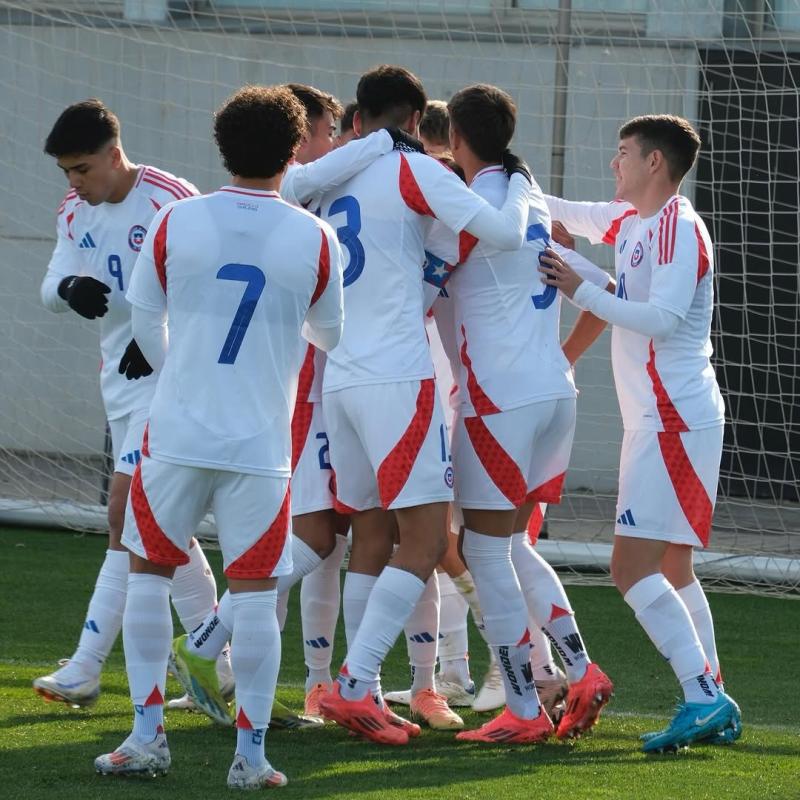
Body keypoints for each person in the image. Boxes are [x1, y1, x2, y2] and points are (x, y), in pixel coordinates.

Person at [93, 84, 344, 787]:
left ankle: (146, 738)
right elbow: (330, 335)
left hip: (173, 433)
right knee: (257, 594)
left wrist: (189, 376)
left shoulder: (177, 220)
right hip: (261, 445)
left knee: (147, 574)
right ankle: (251, 757)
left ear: (221, 147)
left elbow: (145, 321)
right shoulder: (314, 235)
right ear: (295, 151)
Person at [314, 64, 536, 745]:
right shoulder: (413, 171)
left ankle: (358, 690)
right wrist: (521, 185)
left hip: (340, 377)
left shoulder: (328, 179)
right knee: (431, 540)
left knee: (370, 536)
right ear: (415, 122)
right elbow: (501, 231)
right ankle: (356, 686)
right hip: (398, 377)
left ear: (356, 121)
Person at [407, 83, 612, 743]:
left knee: (481, 550)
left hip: (499, 403)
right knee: (511, 544)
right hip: (553, 392)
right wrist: (567, 355)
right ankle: (579, 671)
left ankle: (523, 708)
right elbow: (604, 286)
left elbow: (409, 298)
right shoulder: (528, 206)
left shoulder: (466, 214)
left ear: (458, 141)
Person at [539, 113, 741, 751]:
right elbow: (561, 208)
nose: (613, 163)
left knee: (630, 568)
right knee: (673, 565)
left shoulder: (682, 228)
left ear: (656, 163)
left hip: (674, 419)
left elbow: (660, 318)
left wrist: (580, 289)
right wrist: (491, 181)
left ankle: (704, 696)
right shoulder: (629, 219)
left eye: (623, 152)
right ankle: (712, 697)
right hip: (659, 420)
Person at [35, 99, 219, 709]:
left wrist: (163, 338)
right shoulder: (73, 210)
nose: (74, 182)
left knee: (125, 514)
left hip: (170, 380)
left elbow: (212, 286)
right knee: (159, 523)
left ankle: (86, 668)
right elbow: (49, 285)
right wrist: (69, 286)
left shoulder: (171, 199)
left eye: (82, 169)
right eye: (67, 172)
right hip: (119, 382)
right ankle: (214, 662)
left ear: (116, 155)